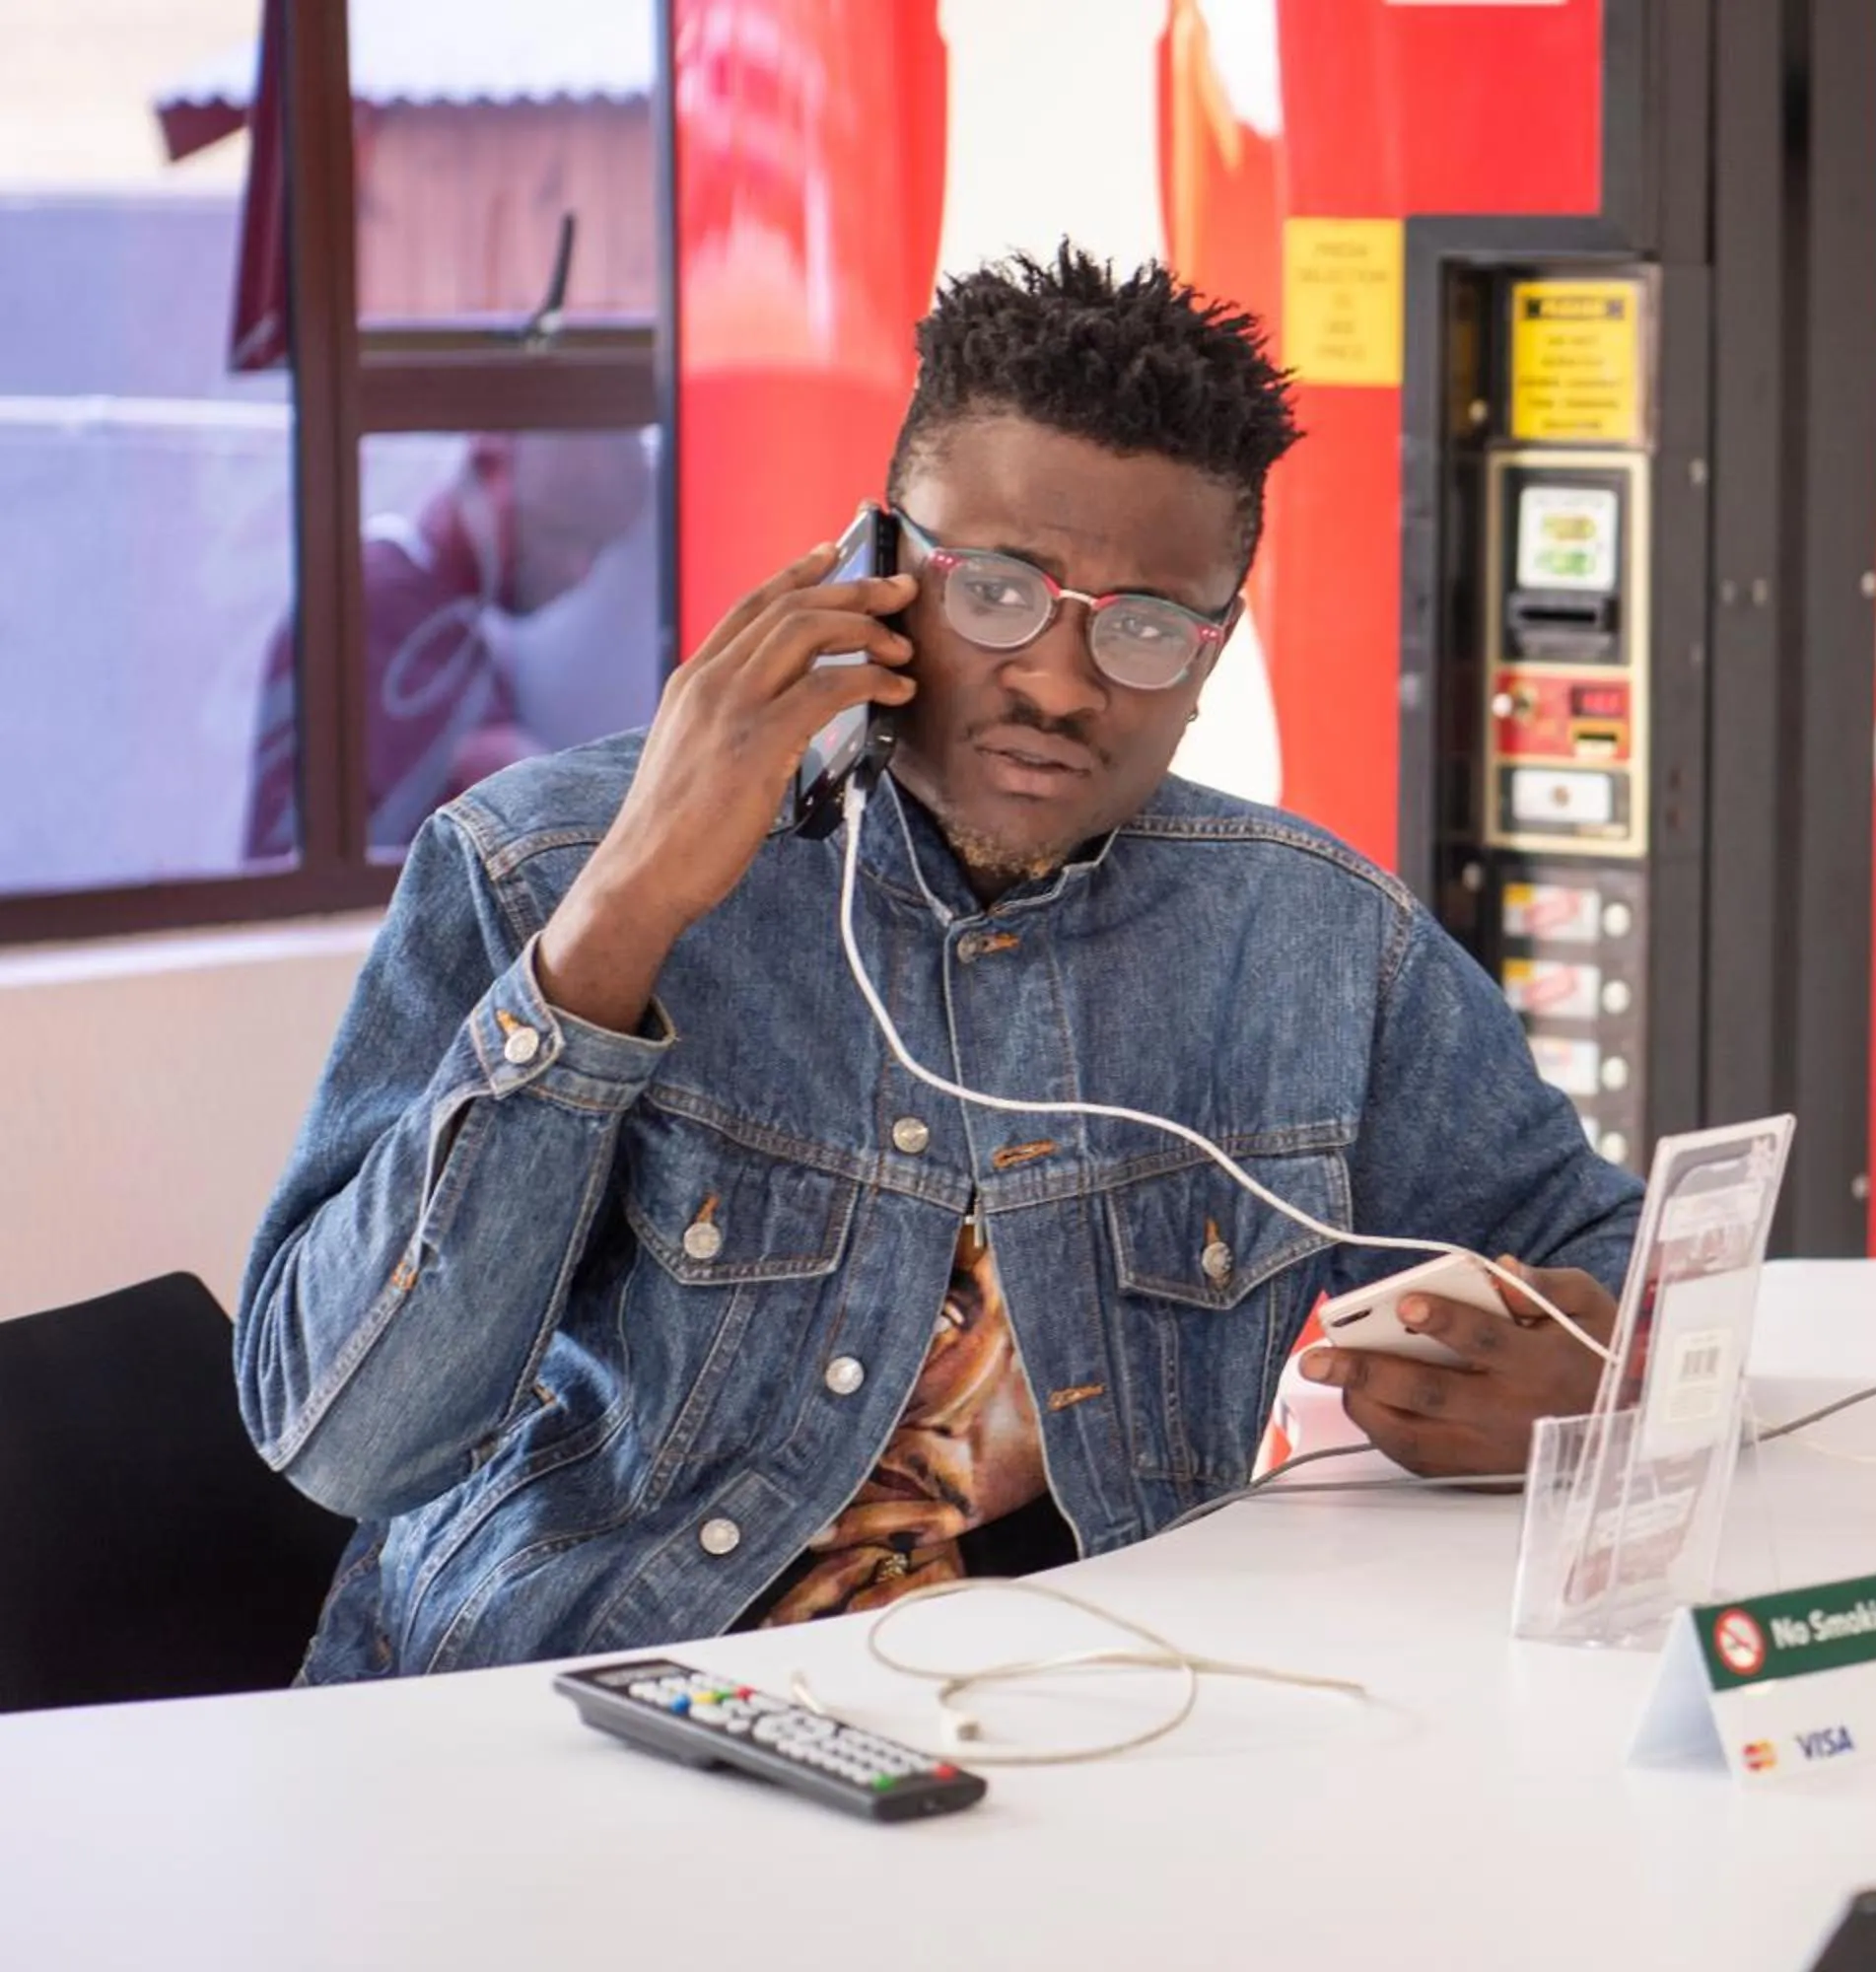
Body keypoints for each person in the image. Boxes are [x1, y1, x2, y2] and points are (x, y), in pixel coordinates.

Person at [238, 246, 1641, 1682]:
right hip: (569, 1726)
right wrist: (624, 916)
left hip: (1089, 1744)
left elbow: (1610, 1268)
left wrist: (1587, 1382)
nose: (1059, 679)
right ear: (877, 570)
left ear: (1214, 655)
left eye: (1147, 628)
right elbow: (344, 1440)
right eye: (1002, 592)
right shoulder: (540, 866)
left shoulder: (1317, 944)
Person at [242, 429, 652, 860]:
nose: (576, 570)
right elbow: (522, 791)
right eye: (557, 533)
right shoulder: (376, 599)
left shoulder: (448, 612)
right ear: (486, 466)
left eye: (596, 548)